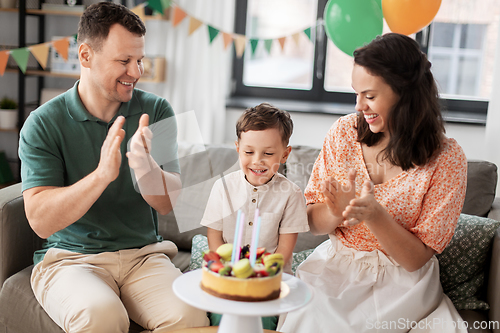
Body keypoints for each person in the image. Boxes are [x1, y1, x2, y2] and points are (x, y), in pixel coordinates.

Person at [18, 2, 209, 332]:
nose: (136, 72)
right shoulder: (42, 124)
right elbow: (40, 221)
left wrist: (145, 166)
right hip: (72, 259)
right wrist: (101, 176)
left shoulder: (156, 109)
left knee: (189, 316)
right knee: (102, 316)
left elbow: (167, 202)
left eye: (140, 60)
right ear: (86, 56)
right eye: (124, 61)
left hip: (144, 256)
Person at [278, 33, 468, 333]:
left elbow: (415, 259)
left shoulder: (447, 159)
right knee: (309, 316)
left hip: (403, 284)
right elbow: (312, 223)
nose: (358, 106)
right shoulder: (343, 133)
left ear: (404, 93)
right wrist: (336, 211)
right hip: (337, 270)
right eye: (356, 94)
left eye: (369, 96)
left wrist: (374, 214)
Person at [200, 103, 310, 329]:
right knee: (221, 319)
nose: (257, 160)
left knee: (261, 322)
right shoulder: (223, 188)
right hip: (228, 278)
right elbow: (215, 238)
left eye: (268, 154)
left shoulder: (291, 194)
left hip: (269, 284)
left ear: (285, 154)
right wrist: (230, 274)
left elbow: (284, 252)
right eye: (249, 152)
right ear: (238, 148)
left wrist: (257, 278)